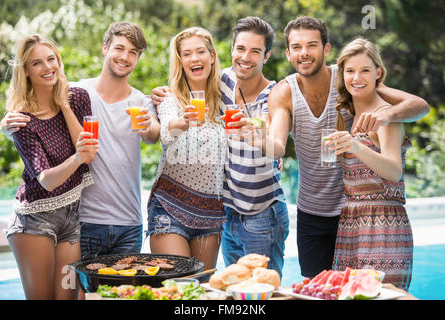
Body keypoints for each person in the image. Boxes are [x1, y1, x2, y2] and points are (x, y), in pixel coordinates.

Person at [266, 16, 429, 278]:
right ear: (288, 53)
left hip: (357, 215)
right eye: (296, 47)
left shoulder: (354, 80)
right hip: (319, 214)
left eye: (312, 45)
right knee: (321, 289)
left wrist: (389, 116)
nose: (304, 53)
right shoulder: (290, 91)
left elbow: (420, 106)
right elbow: (276, 144)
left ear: (326, 49)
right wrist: (254, 138)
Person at [1, 22, 161, 259]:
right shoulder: (75, 94)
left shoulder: (141, 102)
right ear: (105, 48)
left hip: (130, 224)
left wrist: (150, 126)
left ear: (138, 58)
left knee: (123, 295)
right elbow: (34, 108)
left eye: (133, 52)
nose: (125, 57)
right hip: (83, 221)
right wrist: (6, 126)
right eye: (119, 48)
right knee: (78, 294)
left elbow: (153, 136)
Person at [151, 17, 289, 277]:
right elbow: (169, 123)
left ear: (267, 55)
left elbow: (278, 144)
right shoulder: (221, 82)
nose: (245, 57)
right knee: (227, 288)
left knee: (262, 290)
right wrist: (159, 95)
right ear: (230, 51)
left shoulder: (275, 94)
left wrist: (262, 141)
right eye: (240, 49)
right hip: (227, 214)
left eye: (255, 51)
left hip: (262, 213)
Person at [3, 34, 98, 299]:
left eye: (51, 59)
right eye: (37, 63)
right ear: (26, 72)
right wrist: (77, 158)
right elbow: (45, 180)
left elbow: (87, 153)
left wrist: (64, 105)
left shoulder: (77, 98)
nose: (47, 68)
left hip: (70, 218)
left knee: (68, 296)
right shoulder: (22, 119)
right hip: (34, 220)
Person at [327, 38, 413, 290]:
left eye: (365, 70)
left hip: (383, 226)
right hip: (351, 224)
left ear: (378, 72)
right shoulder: (348, 116)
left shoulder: (387, 116)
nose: (357, 77)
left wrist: (354, 146)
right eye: (350, 71)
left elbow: (394, 171)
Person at [147, 27, 227, 270]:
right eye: (187, 54)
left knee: (200, 290)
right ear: (180, 61)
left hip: (210, 212)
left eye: (200, 51)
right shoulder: (169, 98)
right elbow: (165, 136)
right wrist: (183, 123)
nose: (194, 58)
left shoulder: (226, 98)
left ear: (212, 56)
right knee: (177, 286)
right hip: (169, 208)